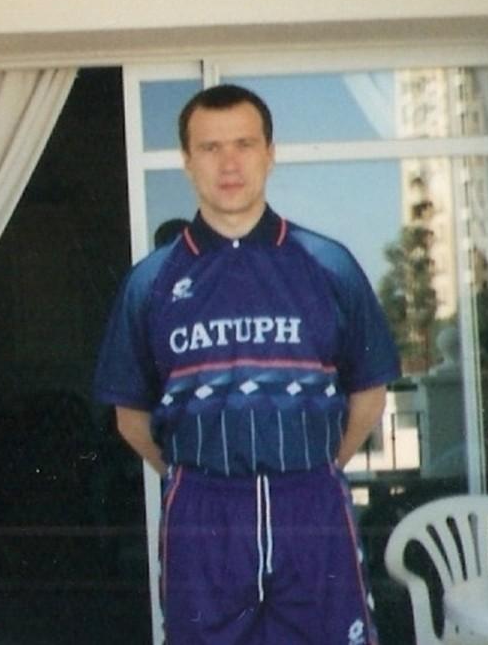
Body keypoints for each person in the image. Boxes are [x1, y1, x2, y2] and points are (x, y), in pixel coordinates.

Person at [94, 84, 400, 645]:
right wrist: (197, 476)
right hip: (204, 509)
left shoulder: (328, 264)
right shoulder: (151, 281)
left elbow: (369, 393)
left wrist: (313, 468)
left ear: (270, 153)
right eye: (210, 147)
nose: (229, 163)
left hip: (309, 501)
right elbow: (130, 417)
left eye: (244, 144)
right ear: (187, 160)